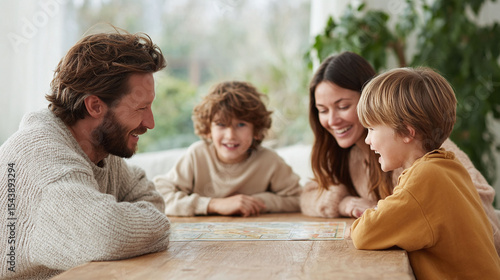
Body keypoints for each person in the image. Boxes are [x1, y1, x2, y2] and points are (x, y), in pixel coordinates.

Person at [0, 30, 170, 279]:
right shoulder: (44, 161)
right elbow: (107, 235)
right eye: (141, 108)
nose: (150, 122)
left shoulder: (98, 150)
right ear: (95, 106)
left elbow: (145, 193)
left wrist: (140, 224)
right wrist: (157, 226)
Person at [299, 51, 500, 255]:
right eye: (322, 110)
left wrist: (386, 213)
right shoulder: (348, 155)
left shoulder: (425, 149)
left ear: (372, 100)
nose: (332, 120)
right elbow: (306, 195)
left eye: (343, 106)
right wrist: (344, 203)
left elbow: (472, 208)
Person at [350, 67, 500, 279]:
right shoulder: (448, 165)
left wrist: (372, 212)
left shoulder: (425, 178)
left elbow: (364, 234)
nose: (367, 140)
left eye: (372, 129)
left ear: (406, 133)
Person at [154, 81, 302, 217]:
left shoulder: (269, 161)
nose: (230, 135)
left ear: (256, 129)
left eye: (241, 124)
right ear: (208, 129)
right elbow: (159, 196)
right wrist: (213, 204)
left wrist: (258, 201)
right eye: (221, 124)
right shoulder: (197, 155)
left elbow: (299, 198)